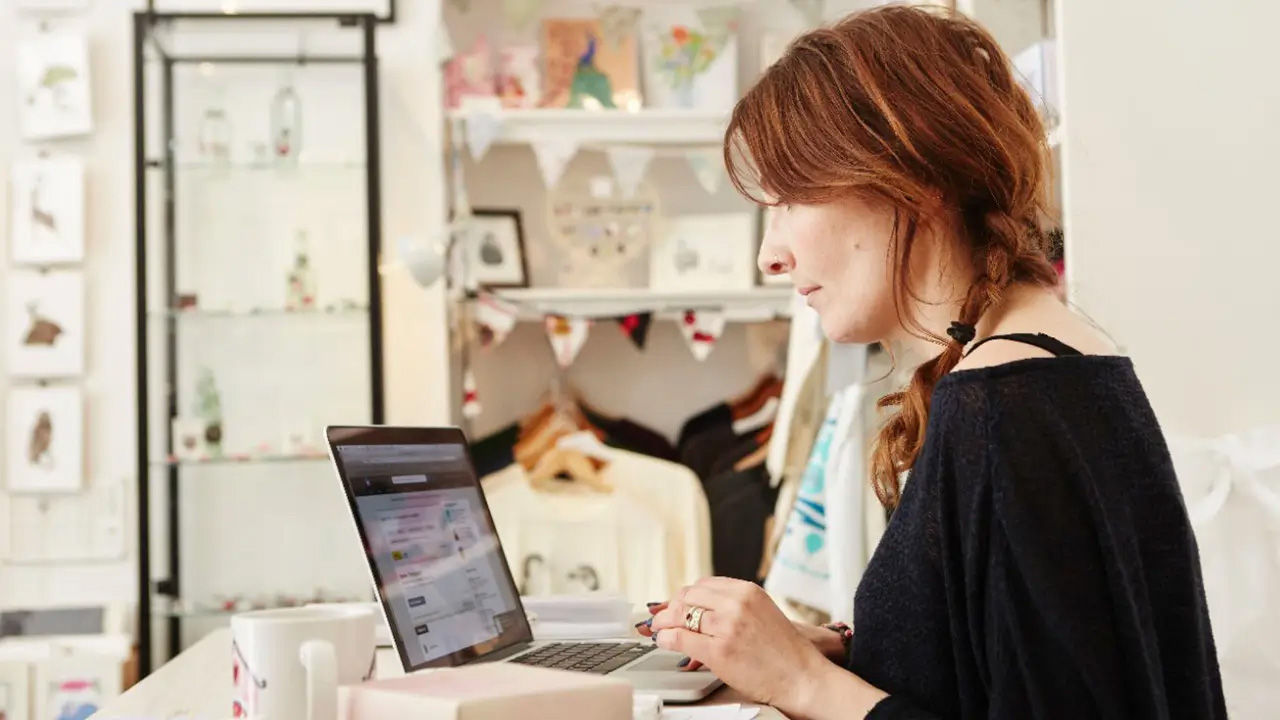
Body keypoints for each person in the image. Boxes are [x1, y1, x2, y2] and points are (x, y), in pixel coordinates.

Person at [637, 6, 1227, 719]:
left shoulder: (1002, 407)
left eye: (790, 199)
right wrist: (847, 653)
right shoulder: (1063, 364)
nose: (771, 255)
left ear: (912, 179)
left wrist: (802, 682)